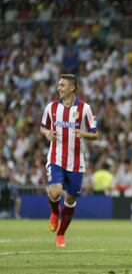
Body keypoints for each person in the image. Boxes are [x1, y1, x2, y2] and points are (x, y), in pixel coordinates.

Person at [40, 74, 99, 247]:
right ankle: (53, 211)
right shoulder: (51, 107)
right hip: (55, 157)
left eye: (62, 85)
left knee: (71, 200)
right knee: (55, 191)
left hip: (76, 162)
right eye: (58, 85)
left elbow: (95, 133)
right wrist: (47, 134)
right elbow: (43, 127)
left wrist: (84, 134)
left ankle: (61, 234)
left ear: (72, 88)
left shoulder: (85, 108)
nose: (59, 88)